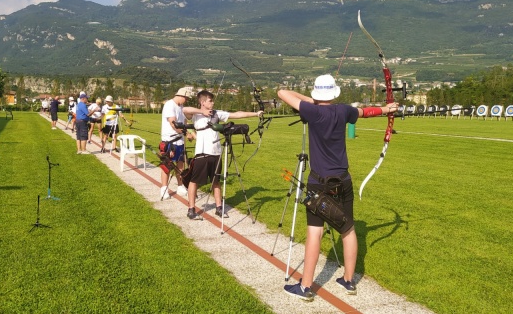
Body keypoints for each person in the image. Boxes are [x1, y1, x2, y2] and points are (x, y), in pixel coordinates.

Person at [277, 74, 398, 300]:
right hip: (343, 179)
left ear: (316, 94)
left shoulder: (311, 111)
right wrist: (387, 109)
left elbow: (282, 93)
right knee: (348, 228)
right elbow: (365, 112)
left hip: (319, 182)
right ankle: (348, 280)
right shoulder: (343, 111)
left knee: (315, 231)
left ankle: (305, 287)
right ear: (334, 93)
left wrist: (310, 101)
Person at [182, 90, 263, 220]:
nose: (212, 103)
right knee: (194, 181)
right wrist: (202, 111)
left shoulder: (217, 113)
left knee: (216, 181)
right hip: (202, 153)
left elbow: (236, 114)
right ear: (202, 102)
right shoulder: (196, 115)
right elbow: (185, 109)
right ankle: (191, 209)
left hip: (216, 153)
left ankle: (219, 208)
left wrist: (256, 113)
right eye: (210, 100)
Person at [159, 87, 196, 200]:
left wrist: (192, 134)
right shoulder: (170, 105)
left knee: (180, 164)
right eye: (187, 98)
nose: (187, 100)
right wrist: (186, 134)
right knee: (167, 165)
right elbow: (174, 124)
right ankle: (164, 189)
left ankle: (180, 186)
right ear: (182, 96)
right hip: (169, 141)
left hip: (180, 141)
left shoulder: (181, 107)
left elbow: (185, 122)